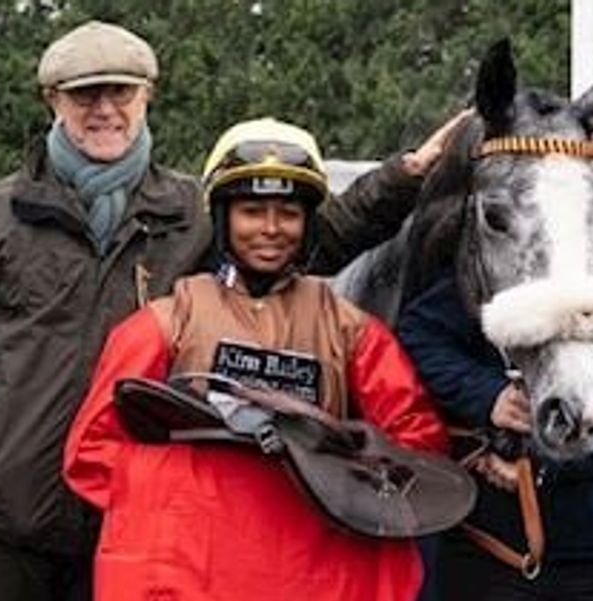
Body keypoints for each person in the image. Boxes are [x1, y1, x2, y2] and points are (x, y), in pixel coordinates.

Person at [0, 20, 458, 601]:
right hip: (14, 523)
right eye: (85, 94)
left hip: (142, 531)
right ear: (52, 100)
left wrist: (402, 177)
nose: (104, 109)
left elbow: (299, 238)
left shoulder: (195, 212)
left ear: (146, 96)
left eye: (121, 92)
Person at [63, 117, 449, 601]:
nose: (270, 229)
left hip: (314, 574)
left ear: (309, 223)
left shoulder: (352, 330)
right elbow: (91, 451)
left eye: (288, 213)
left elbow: (417, 444)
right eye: (252, 211)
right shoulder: (164, 324)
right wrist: (203, 496)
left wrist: (335, 476)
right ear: (222, 217)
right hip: (193, 573)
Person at [398, 72, 593, 601]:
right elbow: (421, 333)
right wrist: (489, 398)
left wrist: (541, 454)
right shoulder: (512, 240)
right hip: (489, 547)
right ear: (592, 138)